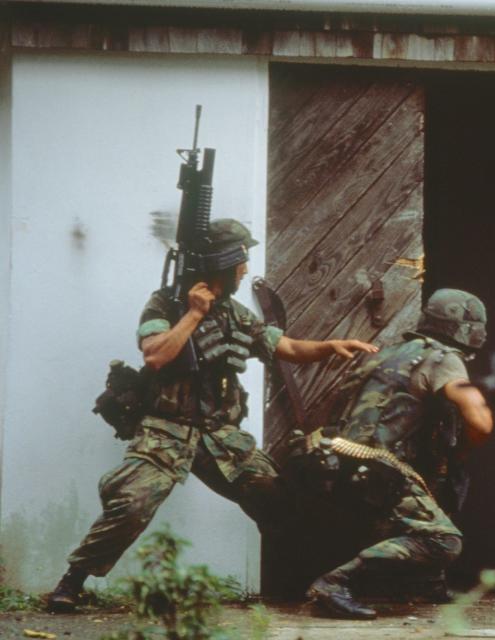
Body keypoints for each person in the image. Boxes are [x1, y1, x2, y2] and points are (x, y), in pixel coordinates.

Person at [47, 218, 377, 613]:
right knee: (132, 502)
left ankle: (301, 585)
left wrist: (329, 346)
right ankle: (72, 582)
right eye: (242, 260)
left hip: (221, 435)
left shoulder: (237, 315)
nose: (245, 268)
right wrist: (193, 314)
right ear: (224, 262)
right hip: (166, 430)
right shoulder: (165, 304)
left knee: (278, 497)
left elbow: (283, 346)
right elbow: (155, 356)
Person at [291, 288, 493, 620]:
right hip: (374, 473)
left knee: (437, 482)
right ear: (466, 327)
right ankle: (334, 583)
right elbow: (480, 423)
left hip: (334, 465)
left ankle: (425, 583)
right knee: (444, 541)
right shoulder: (443, 359)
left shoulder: (387, 353)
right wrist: (466, 450)